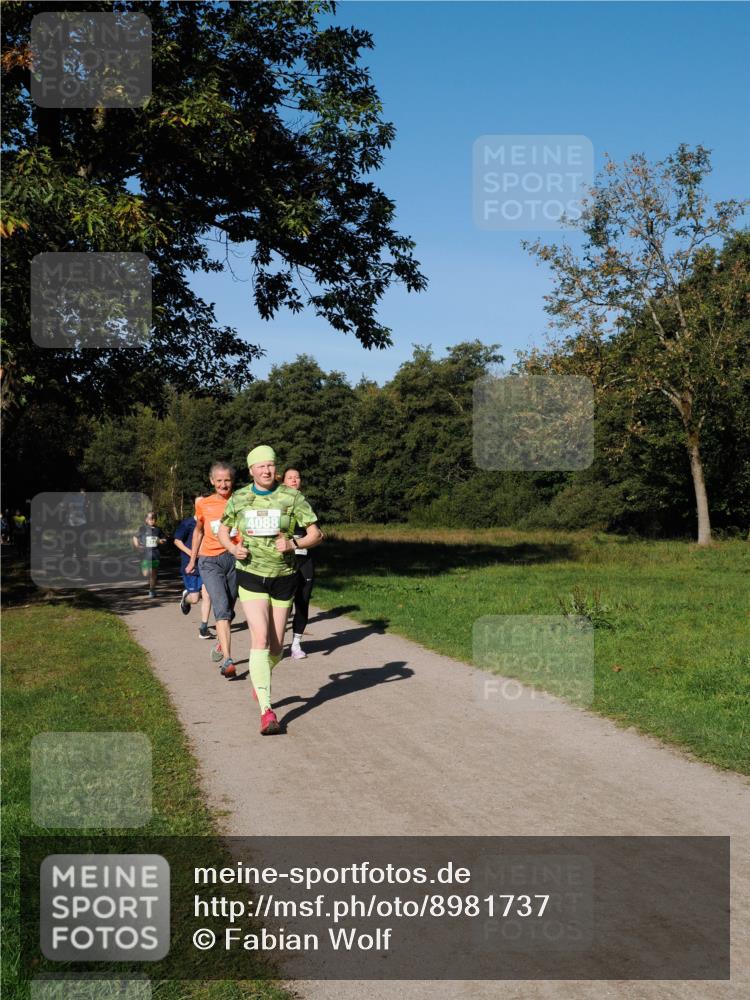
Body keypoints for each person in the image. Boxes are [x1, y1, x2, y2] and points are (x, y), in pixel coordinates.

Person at [218, 445, 323, 735]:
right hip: (250, 574)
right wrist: (232, 547)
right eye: (260, 466)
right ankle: (267, 710)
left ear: (276, 469)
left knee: (277, 647)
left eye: (271, 466)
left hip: (284, 575)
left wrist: (294, 544)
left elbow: (316, 533)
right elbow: (223, 530)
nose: (266, 471)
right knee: (260, 638)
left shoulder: (291, 497)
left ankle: (260, 678)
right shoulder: (239, 498)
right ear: (251, 470)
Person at [185, 463, 239, 673]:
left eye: (227, 480)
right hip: (209, 560)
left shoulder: (240, 501)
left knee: (230, 607)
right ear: (212, 481)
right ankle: (228, 660)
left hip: (234, 559)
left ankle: (221, 643)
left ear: (232, 481)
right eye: (219, 481)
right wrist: (192, 559)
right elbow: (198, 532)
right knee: (221, 606)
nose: (223, 484)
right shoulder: (204, 505)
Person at [282, 468, 319, 659]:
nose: (294, 480)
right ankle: (277, 641)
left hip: (304, 559)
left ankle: (296, 644)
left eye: (297, 477)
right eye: (290, 478)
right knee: (282, 603)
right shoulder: (278, 503)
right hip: (283, 560)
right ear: (283, 482)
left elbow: (317, 532)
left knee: (302, 601)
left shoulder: (307, 504)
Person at [173, 496, 213, 639]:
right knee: (195, 599)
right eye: (200, 504)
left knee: (208, 595)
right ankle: (186, 598)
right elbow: (177, 541)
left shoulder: (209, 523)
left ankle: (203, 628)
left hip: (207, 565)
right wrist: (191, 553)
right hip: (190, 566)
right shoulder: (187, 523)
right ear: (196, 506)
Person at [132, 511, 166, 597]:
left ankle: (152, 590)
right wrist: (137, 546)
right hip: (145, 554)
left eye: (154, 519)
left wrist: (161, 541)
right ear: (146, 520)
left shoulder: (158, 530)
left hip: (155, 554)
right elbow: (135, 537)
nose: (152, 520)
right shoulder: (142, 529)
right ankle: (149, 580)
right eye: (150, 519)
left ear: (156, 520)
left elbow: (164, 540)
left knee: (154, 573)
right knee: (146, 573)